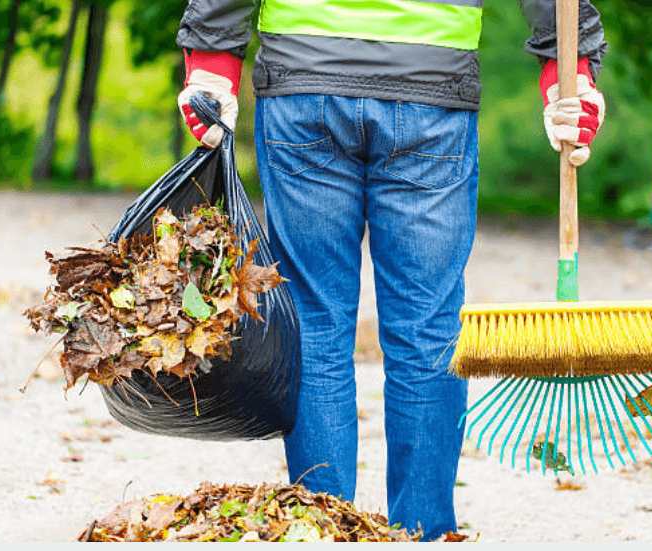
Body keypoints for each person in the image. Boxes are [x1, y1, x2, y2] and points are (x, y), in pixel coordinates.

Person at [175, 0, 606, 540]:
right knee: (427, 329)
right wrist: (570, 72)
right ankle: (423, 534)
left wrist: (212, 61)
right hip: (431, 90)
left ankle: (322, 529)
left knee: (313, 321)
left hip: (305, 84)